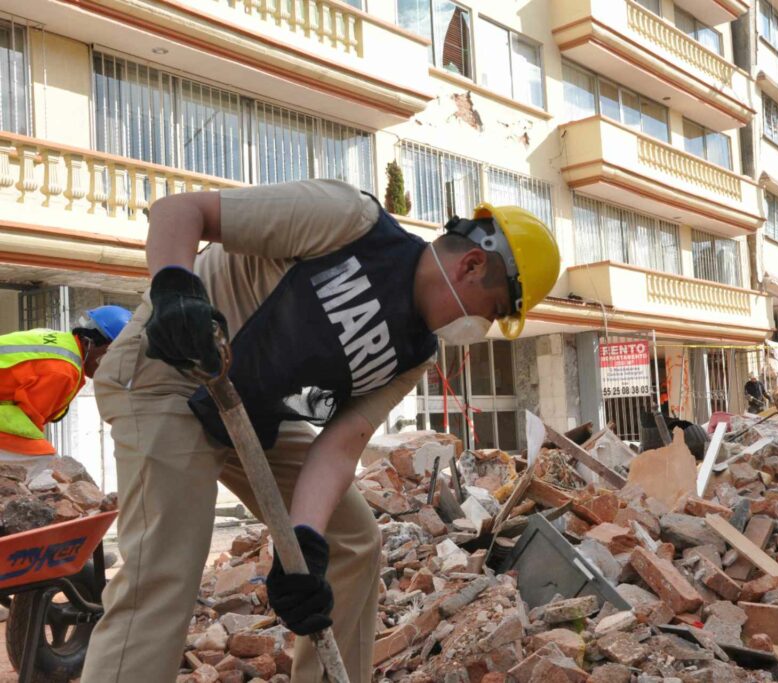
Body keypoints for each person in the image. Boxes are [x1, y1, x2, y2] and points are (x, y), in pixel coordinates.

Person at [80, 179, 561, 683]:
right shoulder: (348, 222)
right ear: (472, 265)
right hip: (170, 376)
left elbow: (337, 446)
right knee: (166, 569)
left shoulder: (412, 356)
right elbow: (180, 211)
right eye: (493, 311)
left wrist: (303, 544)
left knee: (350, 541)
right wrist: (175, 288)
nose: (480, 325)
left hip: (248, 410)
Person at [0, 306, 131, 459]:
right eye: (114, 357)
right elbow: (28, 419)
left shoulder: (61, 342)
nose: (114, 366)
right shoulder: (64, 371)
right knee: (42, 461)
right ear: (91, 343)